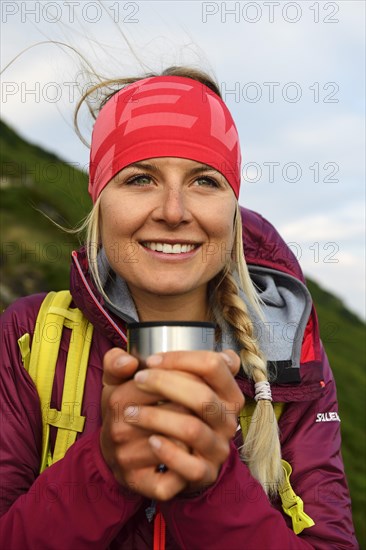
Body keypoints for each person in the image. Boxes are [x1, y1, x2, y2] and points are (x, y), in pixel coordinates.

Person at [0, 66, 358, 549]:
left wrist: (210, 485)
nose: (173, 211)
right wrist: (104, 468)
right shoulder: (30, 335)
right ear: (100, 199)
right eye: (141, 178)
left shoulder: (290, 357)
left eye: (204, 181)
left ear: (232, 205)